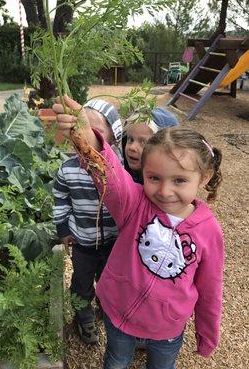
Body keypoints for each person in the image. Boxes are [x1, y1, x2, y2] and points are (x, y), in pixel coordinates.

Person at [53, 95, 224, 369]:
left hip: (167, 328)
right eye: (154, 178)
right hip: (119, 315)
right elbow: (109, 174)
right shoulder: (133, 204)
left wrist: (206, 335)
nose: (165, 191)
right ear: (143, 172)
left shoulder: (209, 231)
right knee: (117, 360)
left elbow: (211, 288)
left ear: (203, 178)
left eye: (179, 180)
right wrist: (88, 138)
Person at [52, 99, 123, 345]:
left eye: (95, 132)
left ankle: (107, 308)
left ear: (112, 139)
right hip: (82, 243)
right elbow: (61, 200)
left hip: (114, 243)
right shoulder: (68, 169)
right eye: (80, 130)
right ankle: (85, 318)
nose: (85, 136)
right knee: (81, 284)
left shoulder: (118, 169)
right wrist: (63, 228)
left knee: (110, 281)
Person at [123, 107, 178, 184]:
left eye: (143, 143)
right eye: (130, 139)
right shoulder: (121, 177)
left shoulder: (164, 191)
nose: (132, 147)